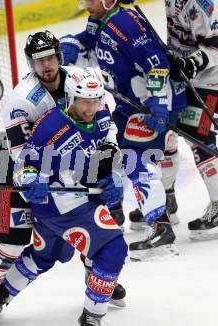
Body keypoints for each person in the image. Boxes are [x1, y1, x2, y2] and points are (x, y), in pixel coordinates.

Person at [0, 31, 126, 326]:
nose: (46, 65)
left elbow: (103, 129)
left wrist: (104, 169)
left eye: (50, 58)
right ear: (31, 64)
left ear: (59, 57)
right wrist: (29, 178)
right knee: (9, 243)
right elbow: (22, 155)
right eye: (39, 61)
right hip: (15, 164)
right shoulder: (22, 99)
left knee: (93, 215)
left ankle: (96, 273)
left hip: (68, 165)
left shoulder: (80, 80)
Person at [0, 66, 127, 326]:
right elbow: (24, 165)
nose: (90, 108)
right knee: (113, 249)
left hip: (78, 200)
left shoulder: (102, 113)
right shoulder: (49, 126)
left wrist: (113, 176)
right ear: (69, 98)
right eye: (83, 102)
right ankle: (92, 316)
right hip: (59, 205)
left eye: (94, 101)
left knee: (45, 256)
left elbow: (109, 145)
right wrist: (31, 180)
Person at [60, 0, 187, 260]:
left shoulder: (124, 23)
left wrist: (159, 103)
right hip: (131, 104)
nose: (86, 4)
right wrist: (73, 45)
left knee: (134, 161)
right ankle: (120, 211)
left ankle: (161, 229)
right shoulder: (100, 20)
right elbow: (92, 45)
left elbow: (157, 62)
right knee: (110, 153)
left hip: (152, 104)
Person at [164, 0, 218, 240]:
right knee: (168, 131)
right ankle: (167, 197)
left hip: (209, 77)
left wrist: (191, 63)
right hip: (182, 74)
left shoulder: (201, 3)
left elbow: (215, 46)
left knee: (199, 135)